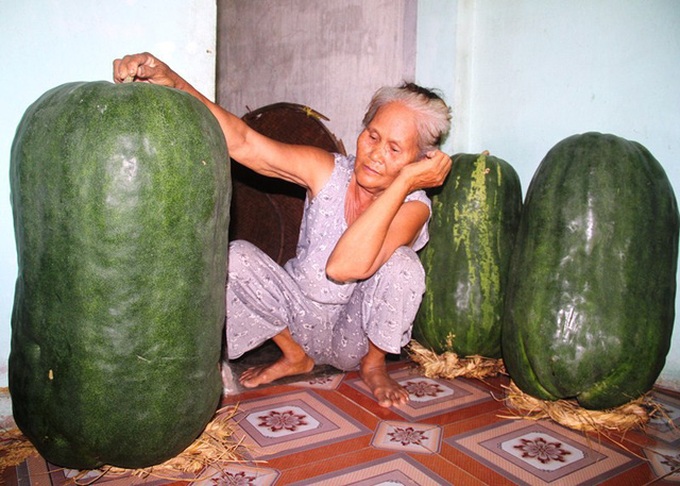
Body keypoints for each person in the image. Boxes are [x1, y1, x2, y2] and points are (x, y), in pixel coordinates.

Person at [113, 53, 452, 408]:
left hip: (354, 334)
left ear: (419, 159)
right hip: (297, 315)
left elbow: (343, 268)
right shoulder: (328, 170)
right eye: (372, 136)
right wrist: (173, 82)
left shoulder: (414, 206)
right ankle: (294, 356)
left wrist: (406, 182)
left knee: (403, 265)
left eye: (395, 148)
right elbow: (244, 142)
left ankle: (374, 364)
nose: (375, 154)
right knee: (235, 257)